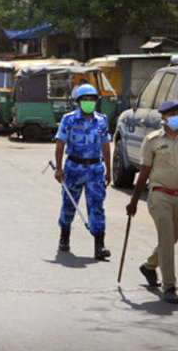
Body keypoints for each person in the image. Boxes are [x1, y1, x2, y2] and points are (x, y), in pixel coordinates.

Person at [126, 100, 178, 304]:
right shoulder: (152, 140)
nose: (176, 116)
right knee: (166, 239)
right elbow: (144, 172)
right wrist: (134, 201)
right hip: (159, 195)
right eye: (171, 113)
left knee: (172, 239)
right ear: (163, 117)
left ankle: (148, 266)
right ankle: (169, 286)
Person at [53, 83, 112, 260]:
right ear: (78, 102)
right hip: (74, 168)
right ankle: (64, 237)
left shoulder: (101, 120)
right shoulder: (69, 119)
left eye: (91, 99)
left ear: (96, 101)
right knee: (69, 205)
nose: (88, 102)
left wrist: (109, 170)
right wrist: (58, 168)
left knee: (97, 207)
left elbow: (106, 145)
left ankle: (99, 245)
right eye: (84, 100)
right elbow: (60, 144)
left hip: (95, 169)